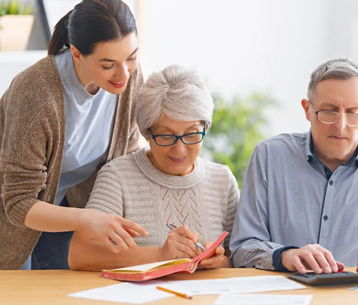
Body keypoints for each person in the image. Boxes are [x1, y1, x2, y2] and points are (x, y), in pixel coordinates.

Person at [230, 58, 358, 279]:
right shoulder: (269, 157)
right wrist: (285, 256)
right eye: (329, 111)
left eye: (354, 112)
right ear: (307, 110)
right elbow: (242, 247)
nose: (341, 125)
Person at [0, 0, 148, 270]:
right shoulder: (36, 94)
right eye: (108, 64)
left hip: (72, 209)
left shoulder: (128, 80)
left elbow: (127, 157)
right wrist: (87, 219)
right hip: (12, 220)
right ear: (77, 54)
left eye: (131, 57)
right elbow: (18, 202)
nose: (124, 74)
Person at [68, 65, 239, 271]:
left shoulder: (222, 179)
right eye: (166, 136)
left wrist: (223, 261)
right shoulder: (118, 176)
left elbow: (240, 253)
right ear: (147, 133)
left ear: (205, 127)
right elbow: (81, 255)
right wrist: (160, 255)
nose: (180, 150)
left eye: (192, 134)